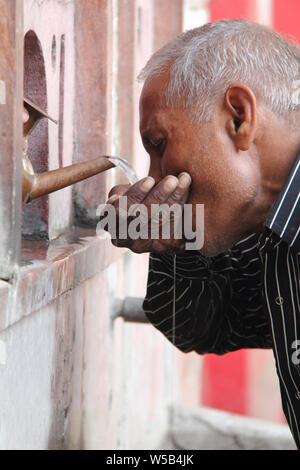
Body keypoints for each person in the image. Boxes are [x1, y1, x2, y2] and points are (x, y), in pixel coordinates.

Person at [103, 20, 300, 448]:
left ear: (238, 117)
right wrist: (175, 242)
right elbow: (202, 329)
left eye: (159, 144)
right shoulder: (273, 240)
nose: (155, 178)